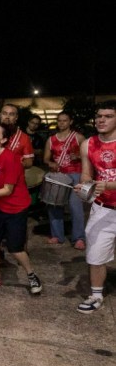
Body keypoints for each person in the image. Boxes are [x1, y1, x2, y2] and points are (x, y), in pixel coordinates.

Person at [0, 123, 42, 295]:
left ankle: (31, 274)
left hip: (16, 207)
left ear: (3, 139)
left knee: (15, 248)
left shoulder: (11, 158)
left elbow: (7, 190)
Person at [76, 102, 116, 314]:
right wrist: (85, 186)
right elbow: (86, 173)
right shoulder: (88, 144)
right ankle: (96, 295)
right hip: (103, 208)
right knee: (95, 255)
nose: (101, 119)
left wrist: (108, 185)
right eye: (99, 116)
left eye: (108, 116)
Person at [43, 111, 86, 249]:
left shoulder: (78, 137)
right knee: (54, 205)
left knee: (76, 207)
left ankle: (78, 238)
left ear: (70, 122)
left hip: (75, 174)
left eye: (65, 120)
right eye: (59, 120)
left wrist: (79, 157)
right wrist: (50, 164)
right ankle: (57, 235)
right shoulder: (51, 139)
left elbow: (89, 156)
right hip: (58, 175)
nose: (62, 123)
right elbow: (45, 158)